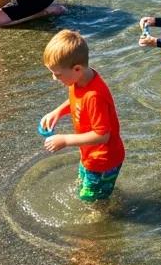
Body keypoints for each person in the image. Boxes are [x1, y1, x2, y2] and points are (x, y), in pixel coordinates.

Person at [40, 29, 125, 203]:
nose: (54, 78)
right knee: (85, 187)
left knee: (92, 200)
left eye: (57, 74)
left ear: (77, 68)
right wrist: (58, 111)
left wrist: (65, 140)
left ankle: (104, 217)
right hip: (89, 154)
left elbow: (102, 135)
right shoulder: (79, 79)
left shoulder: (94, 96)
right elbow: (77, 100)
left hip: (104, 160)